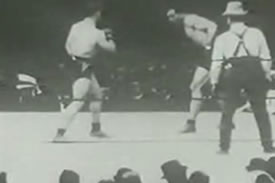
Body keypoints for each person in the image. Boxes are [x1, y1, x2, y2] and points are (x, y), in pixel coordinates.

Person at [210, 1, 275, 154]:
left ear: (228, 19)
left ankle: (224, 147)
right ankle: (267, 145)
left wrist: (214, 81)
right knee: (260, 110)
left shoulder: (222, 38)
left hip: (233, 73)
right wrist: (265, 74)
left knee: (228, 111)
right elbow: (266, 57)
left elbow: (217, 62)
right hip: (254, 72)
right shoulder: (256, 33)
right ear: (244, 17)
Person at [53, 1, 116, 141]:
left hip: (73, 62)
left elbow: (67, 46)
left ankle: (96, 129)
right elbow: (111, 49)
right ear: (98, 13)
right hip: (83, 65)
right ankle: (59, 133)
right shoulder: (96, 33)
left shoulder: (75, 27)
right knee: (78, 100)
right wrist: (109, 36)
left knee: (96, 95)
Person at [167, 8, 218, 133]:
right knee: (195, 86)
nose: (170, 19)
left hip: (213, 53)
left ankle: (226, 118)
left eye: (172, 16)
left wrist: (208, 43)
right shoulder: (184, 26)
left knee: (201, 86)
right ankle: (191, 123)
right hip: (206, 55)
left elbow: (213, 26)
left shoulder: (190, 19)